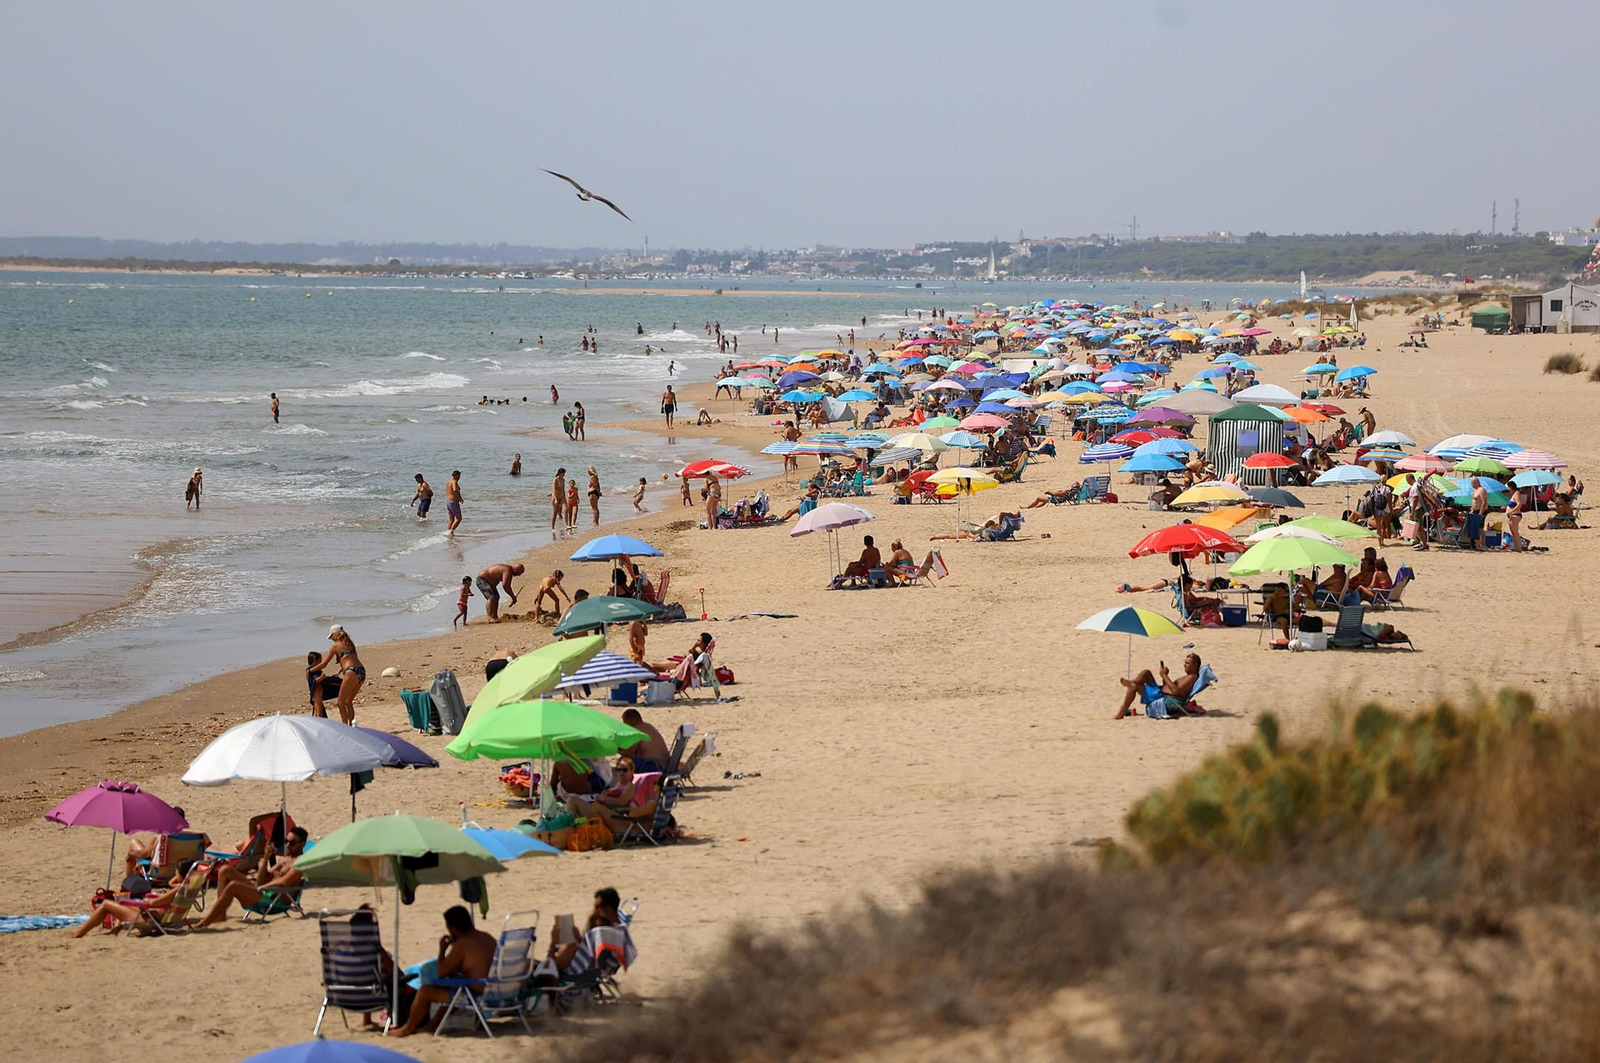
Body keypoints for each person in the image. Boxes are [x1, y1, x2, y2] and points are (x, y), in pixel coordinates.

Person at [387, 906, 499, 1037]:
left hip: (478, 996)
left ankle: (408, 1028)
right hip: (498, 993)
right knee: (454, 992)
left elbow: (440, 973)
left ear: (453, 929)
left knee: (425, 992)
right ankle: (431, 1026)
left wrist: (442, 950)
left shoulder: (462, 945)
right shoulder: (488, 938)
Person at [194, 827, 308, 927]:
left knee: (233, 885)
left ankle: (205, 923)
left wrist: (261, 888)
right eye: (286, 841)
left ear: (302, 844)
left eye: (292, 843)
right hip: (264, 893)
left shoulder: (301, 862)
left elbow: (284, 882)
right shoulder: (284, 860)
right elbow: (261, 881)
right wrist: (266, 857)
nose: (287, 845)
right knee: (225, 870)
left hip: (275, 901)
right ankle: (220, 915)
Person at [546, 889, 624, 977]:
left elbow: (547, 972)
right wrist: (579, 939)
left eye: (597, 907)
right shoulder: (616, 931)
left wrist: (553, 943)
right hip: (590, 970)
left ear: (608, 909)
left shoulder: (604, 933)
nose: (594, 910)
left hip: (574, 973)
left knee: (568, 946)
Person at [1115, 653, 1204, 720]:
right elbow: (1169, 688)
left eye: (1187, 663)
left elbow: (1176, 691)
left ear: (1195, 665)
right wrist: (1165, 676)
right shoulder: (1188, 677)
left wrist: (1164, 676)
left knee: (1134, 686)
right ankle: (1132, 683)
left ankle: (1120, 713)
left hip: (1164, 699)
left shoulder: (1192, 677)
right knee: (1146, 673)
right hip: (1162, 693)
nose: (1184, 665)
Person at [309, 625, 364, 724]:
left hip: (351, 672)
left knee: (341, 703)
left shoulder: (335, 646)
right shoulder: (350, 644)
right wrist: (341, 670)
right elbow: (351, 659)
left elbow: (324, 664)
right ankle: (352, 727)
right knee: (348, 702)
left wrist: (310, 670)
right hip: (361, 671)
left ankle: (345, 727)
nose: (332, 640)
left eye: (332, 637)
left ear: (335, 635)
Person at [306, 650, 343, 717]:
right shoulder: (312, 670)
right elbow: (316, 680)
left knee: (317, 712)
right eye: (320, 660)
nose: (321, 662)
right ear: (315, 660)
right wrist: (322, 677)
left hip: (317, 695)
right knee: (319, 713)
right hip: (317, 696)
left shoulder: (311, 670)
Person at [1466, 477, 1489, 550]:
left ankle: (1483, 544)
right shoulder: (1475, 490)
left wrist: (1480, 513)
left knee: (1480, 528)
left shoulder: (1482, 490)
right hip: (1474, 511)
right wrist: (1472, 510)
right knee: (1475, 527)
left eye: (1472, 483)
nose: (1472, 485)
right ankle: (1475, 543)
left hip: (1480, 511)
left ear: (1476, 482)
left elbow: (1484, 502)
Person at [1506, 487, 1526, 552]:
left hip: (1515, 515)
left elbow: (1519, 504)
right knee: (1513, 533)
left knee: (1515, 533)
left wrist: (1511, 512)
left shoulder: (1516, 493)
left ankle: (1519, 548)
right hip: (1511, 515)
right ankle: (1516, 547)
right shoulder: (1512, 494)